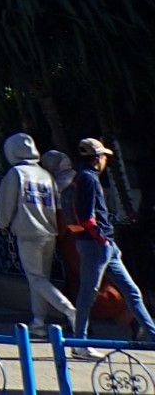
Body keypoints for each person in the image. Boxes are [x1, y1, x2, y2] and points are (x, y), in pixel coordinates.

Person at [67, 138, 155, 344]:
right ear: (97, 158)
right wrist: (102, 240)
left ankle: (152, 334)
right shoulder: (88, 179)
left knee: (131, 291)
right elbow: (86, 217)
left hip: (102, 245)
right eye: (104, 156)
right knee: (88, 293)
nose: (105, 160)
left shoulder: (83, 177)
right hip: (96, 245)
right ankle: (79, 341)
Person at [0, 133, 76, 329]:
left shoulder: (16, 174)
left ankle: (68, 309)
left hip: (28, 232)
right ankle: (38, 321)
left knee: (35, 277)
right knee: (40, 278)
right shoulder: (45, 175)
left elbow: (5, 206)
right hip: (49, 231)